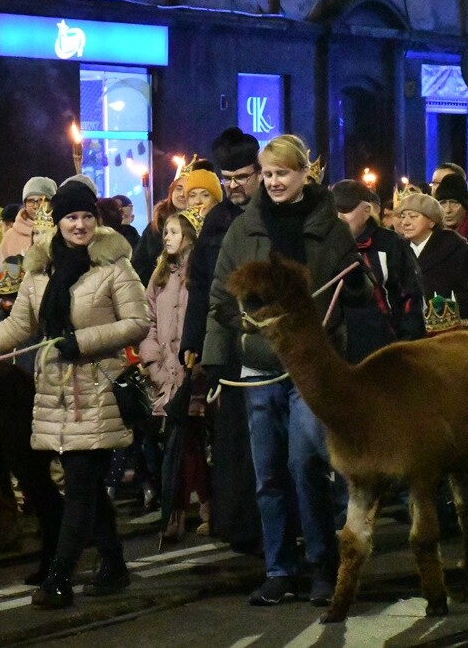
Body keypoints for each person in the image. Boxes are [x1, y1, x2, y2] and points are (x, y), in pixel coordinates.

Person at [0, 179, 149, 609]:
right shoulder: (39, 270)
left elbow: (138, 322)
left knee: (81, 485)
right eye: (71, 217)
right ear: (59, 222)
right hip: (55, 391)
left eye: (87, 217)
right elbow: (16, 328)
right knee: (84, 485)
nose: (80, 225)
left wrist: (82, 341)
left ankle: (58, 578)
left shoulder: (114, 266)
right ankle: (113, 563)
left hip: (98, 388)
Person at [202, 133, 370, 607]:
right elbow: (219, 299)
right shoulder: (244, 229)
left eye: (283, 173)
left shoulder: (331, 229)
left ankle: (321, 565)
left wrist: (357, 287)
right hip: (258, 366)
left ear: (303, 174)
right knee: (269, 474)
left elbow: (353, 293)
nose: (274, 181)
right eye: (269, 173)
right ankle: (279, 569)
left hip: (310, 369)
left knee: (307, 465)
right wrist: (226, 348)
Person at [180, 126, 262, 555]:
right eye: (227, 179)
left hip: (266, 341)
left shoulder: (270, 214)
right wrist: (192, 340)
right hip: (227, 343)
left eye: (242, 177)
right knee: (231, 437)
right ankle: (238, 523)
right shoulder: (215, 220)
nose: (234, 186)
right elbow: (201, 287)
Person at [139, 208, 210, 539]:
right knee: (179, 445)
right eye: (165, 231)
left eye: (174, 232)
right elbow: (148, 321)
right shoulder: (159, 277)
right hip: (166, 375)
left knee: (189, 444)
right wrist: (153, 363)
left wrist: (199, 363)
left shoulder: (200, 275)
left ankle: (194, 508)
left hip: (193, 373)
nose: (166, 237)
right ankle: (183, 510)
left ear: (190, 237)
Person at [332, 179, 424, 361]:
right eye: (333, 210)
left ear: (367, 211)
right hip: (337, 352)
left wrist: (405, 344)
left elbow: (411, 294)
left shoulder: (390, 244)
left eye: (346, 210)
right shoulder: (322, 246)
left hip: (385, 351)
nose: (339, 217)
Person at [397, 192, 468, 319]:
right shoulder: (397, 251)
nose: (405, 222)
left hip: (445, 327)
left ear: (432, 222)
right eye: (403, 217)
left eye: (413, 216)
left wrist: (446, 307)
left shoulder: (459, 251)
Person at [0, 176, 57, 262]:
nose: (36, 206)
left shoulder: (61, 233)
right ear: (24, 204)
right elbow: (1, 267)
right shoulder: (10, 237)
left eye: (41, 200)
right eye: (31, 201)